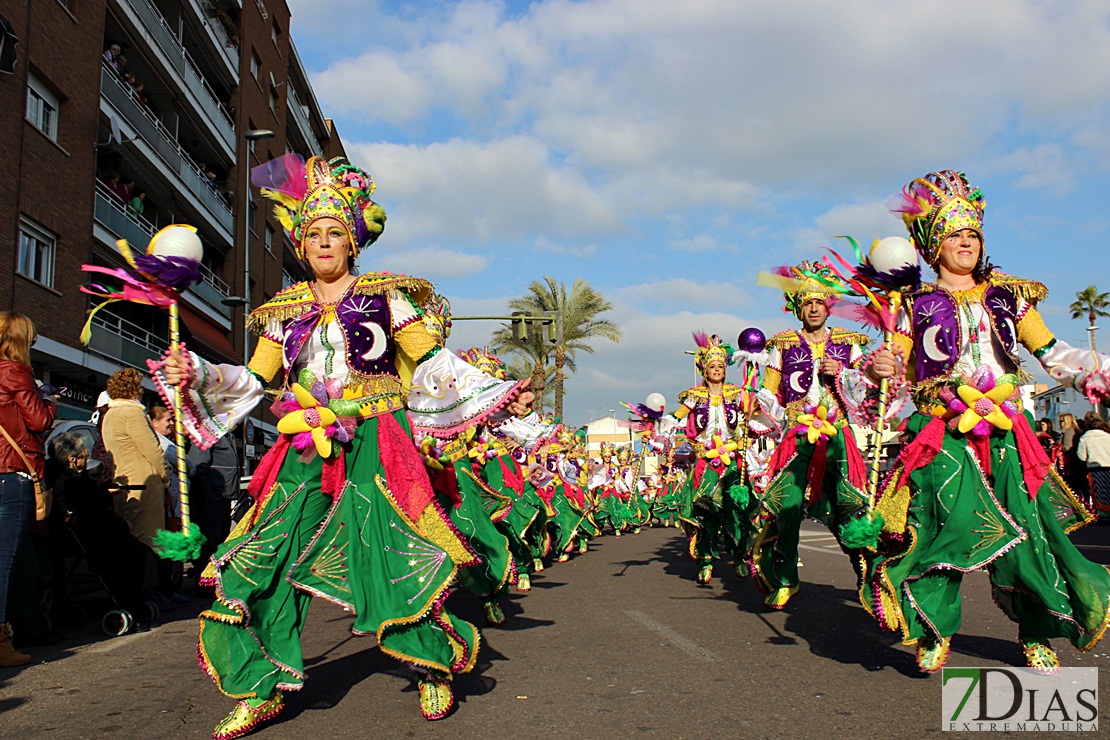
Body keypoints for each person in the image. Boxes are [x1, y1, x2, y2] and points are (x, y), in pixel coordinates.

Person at [154, 154, 532, 735]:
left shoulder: (389, 296)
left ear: (352, 242)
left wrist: (494, 392)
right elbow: (255, 380)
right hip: (304, 440)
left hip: (377, 438)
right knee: (264, 548)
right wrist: (198, 374)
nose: (324, 242)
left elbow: (430, 359)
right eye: (313, 235)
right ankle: (262, 683)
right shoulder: (286, 309)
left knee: (391, 546)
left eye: (334, 233)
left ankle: (430, 664)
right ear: (301, 246)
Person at [859, 169, 1110, 674]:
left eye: (972, 234)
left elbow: (1050, 350)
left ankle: (1037, 630)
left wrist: (1093, 375)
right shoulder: (913, 305)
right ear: (933, 246)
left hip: (1006, 431)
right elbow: (893, 364)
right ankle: (934, 628)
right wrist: (877, 366)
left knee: (1026, 533)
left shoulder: (1009, 295)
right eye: (954, 234)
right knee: (940, 531)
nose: (966, 242)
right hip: (942, 433)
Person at [751, 266, 872, 609]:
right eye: (807, 304)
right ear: (798, 309)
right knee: (788, 506)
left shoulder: (850, 343)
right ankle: (787, 576)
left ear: (828, 307)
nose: (814, 309)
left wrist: (845, 374)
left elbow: (864, 393)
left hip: (838, 436)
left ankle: (864, 570)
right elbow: (770, 392)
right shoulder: (784, 344)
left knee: (850, 505)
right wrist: (758, 408)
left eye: (819, 302)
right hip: (798, 436)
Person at [670, 333, 779, 585]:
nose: (717, 370)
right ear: (704, 370)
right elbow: (676, 418)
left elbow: (752, 414)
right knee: (706, 512)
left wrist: (752, 408)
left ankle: (740, 556)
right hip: (705, 463)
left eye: (720, 366)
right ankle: (707, 560)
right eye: (712, 366)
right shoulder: (693, 396)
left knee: (736, 511)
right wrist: (657, 432)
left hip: (732, 461)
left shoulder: (737, 393)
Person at [0, 312, 56, 667]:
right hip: (12, 474)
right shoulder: (15, 371)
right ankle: (1, 641)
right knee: (6, 561)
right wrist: (48, 400)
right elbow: (39, 421)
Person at [1077, 411, 1110, 516]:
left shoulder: (1084, 438)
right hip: (1108, 466)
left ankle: (1101, 513)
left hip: (1094, 469)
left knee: (1098, 492)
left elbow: (1081, 456)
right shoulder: (1108, 436)